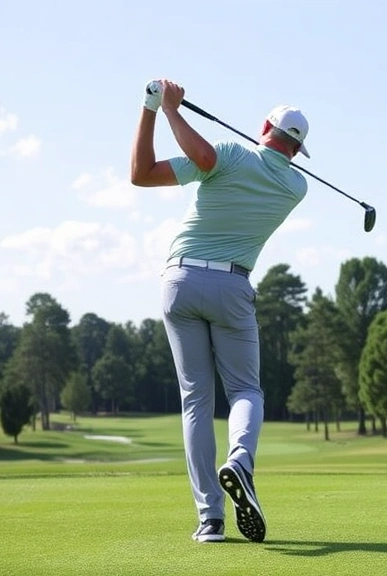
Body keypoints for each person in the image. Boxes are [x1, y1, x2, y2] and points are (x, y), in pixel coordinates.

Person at [130, 78, 310, 543]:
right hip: (232, 284)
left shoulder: (229, 155)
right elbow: (203, 158)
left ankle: (210, 519)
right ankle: (241, 461)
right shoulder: (296, 185)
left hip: (181, 281)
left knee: (197, 401)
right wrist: (167, 109)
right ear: (296, 149)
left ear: (264, 127)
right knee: (246, 389)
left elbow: (142, 173)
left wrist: (159, 108)